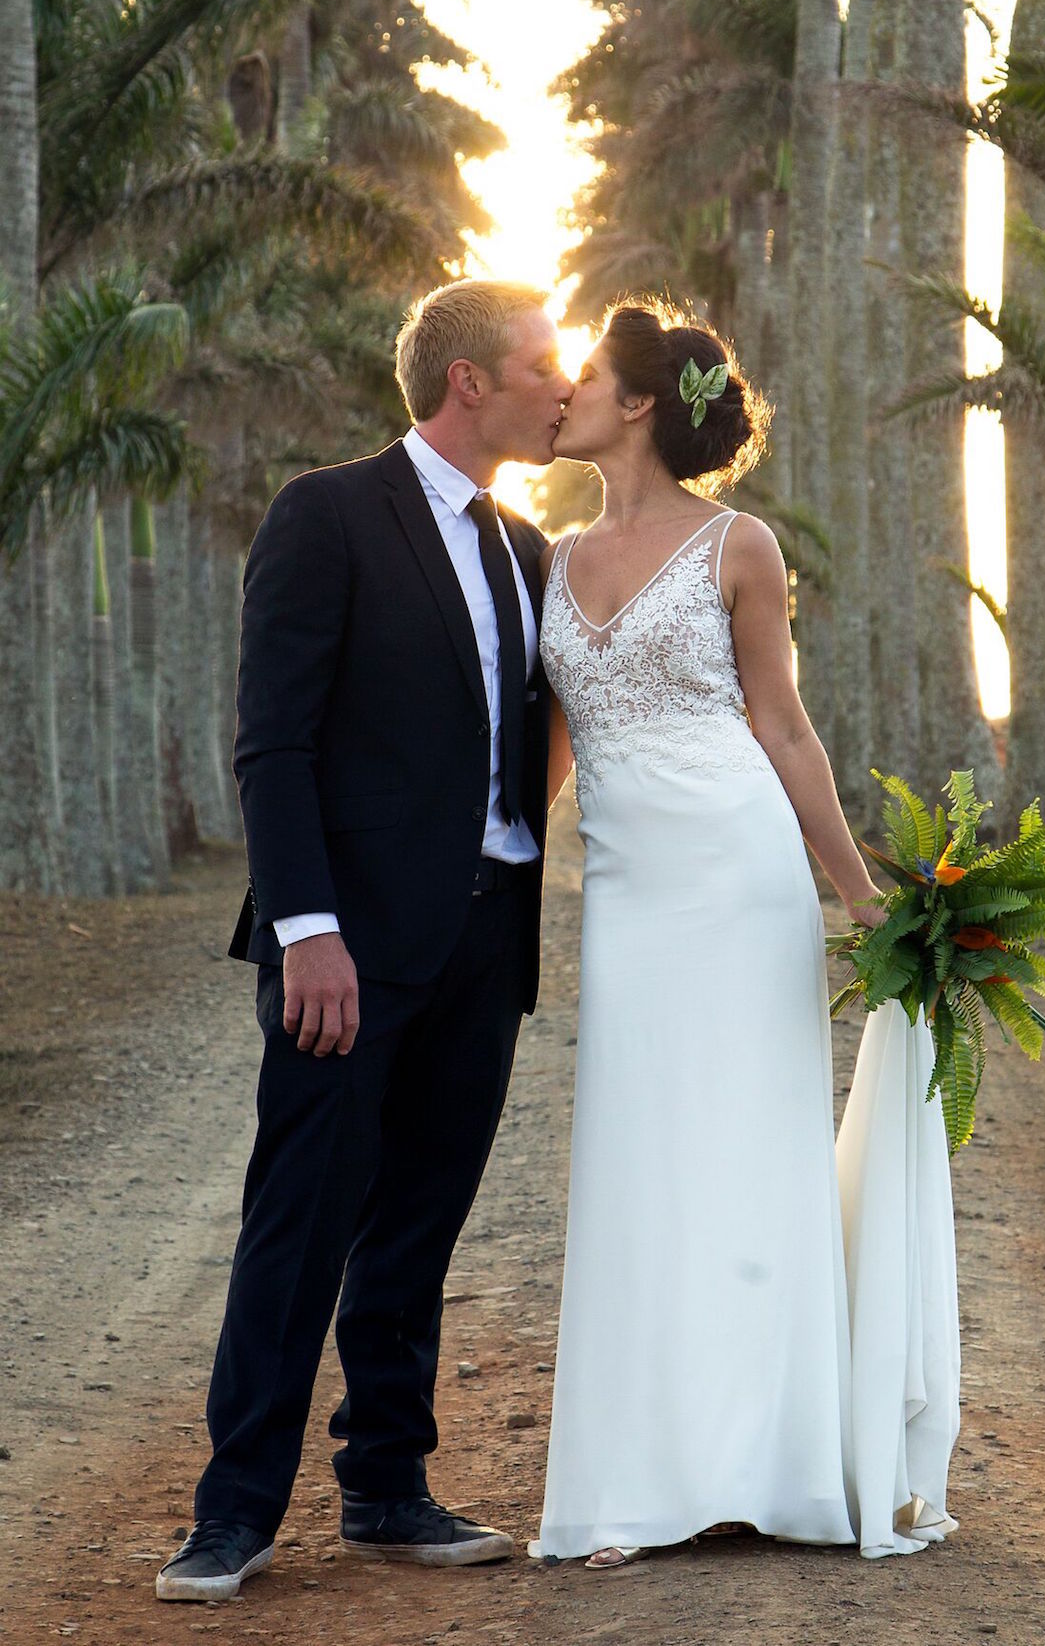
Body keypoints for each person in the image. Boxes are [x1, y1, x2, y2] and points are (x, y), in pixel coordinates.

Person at [157, 281, 574, 1602]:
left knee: (418, 1231)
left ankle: (387, 1487)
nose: (560, 388)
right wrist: (306, 929)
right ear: (468, 382)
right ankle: (232, 1515)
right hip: (346, 950)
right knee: (300, 1223)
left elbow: (531, 741)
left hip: (488, 935)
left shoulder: (528, 547)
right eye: (539, 366)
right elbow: (271, 737)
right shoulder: (328, 513)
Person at [531, 303, 961, 1567]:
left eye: (589, 376)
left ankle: (768, 1466)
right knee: (638, 1154)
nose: (565, 393)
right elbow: (551, 744)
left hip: (736, 871)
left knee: (750, 1154)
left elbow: (783, 731)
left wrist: (862, 900)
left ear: (643, 404)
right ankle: (640, 1478)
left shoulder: (739, 545)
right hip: (625, 890)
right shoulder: (548, 558)